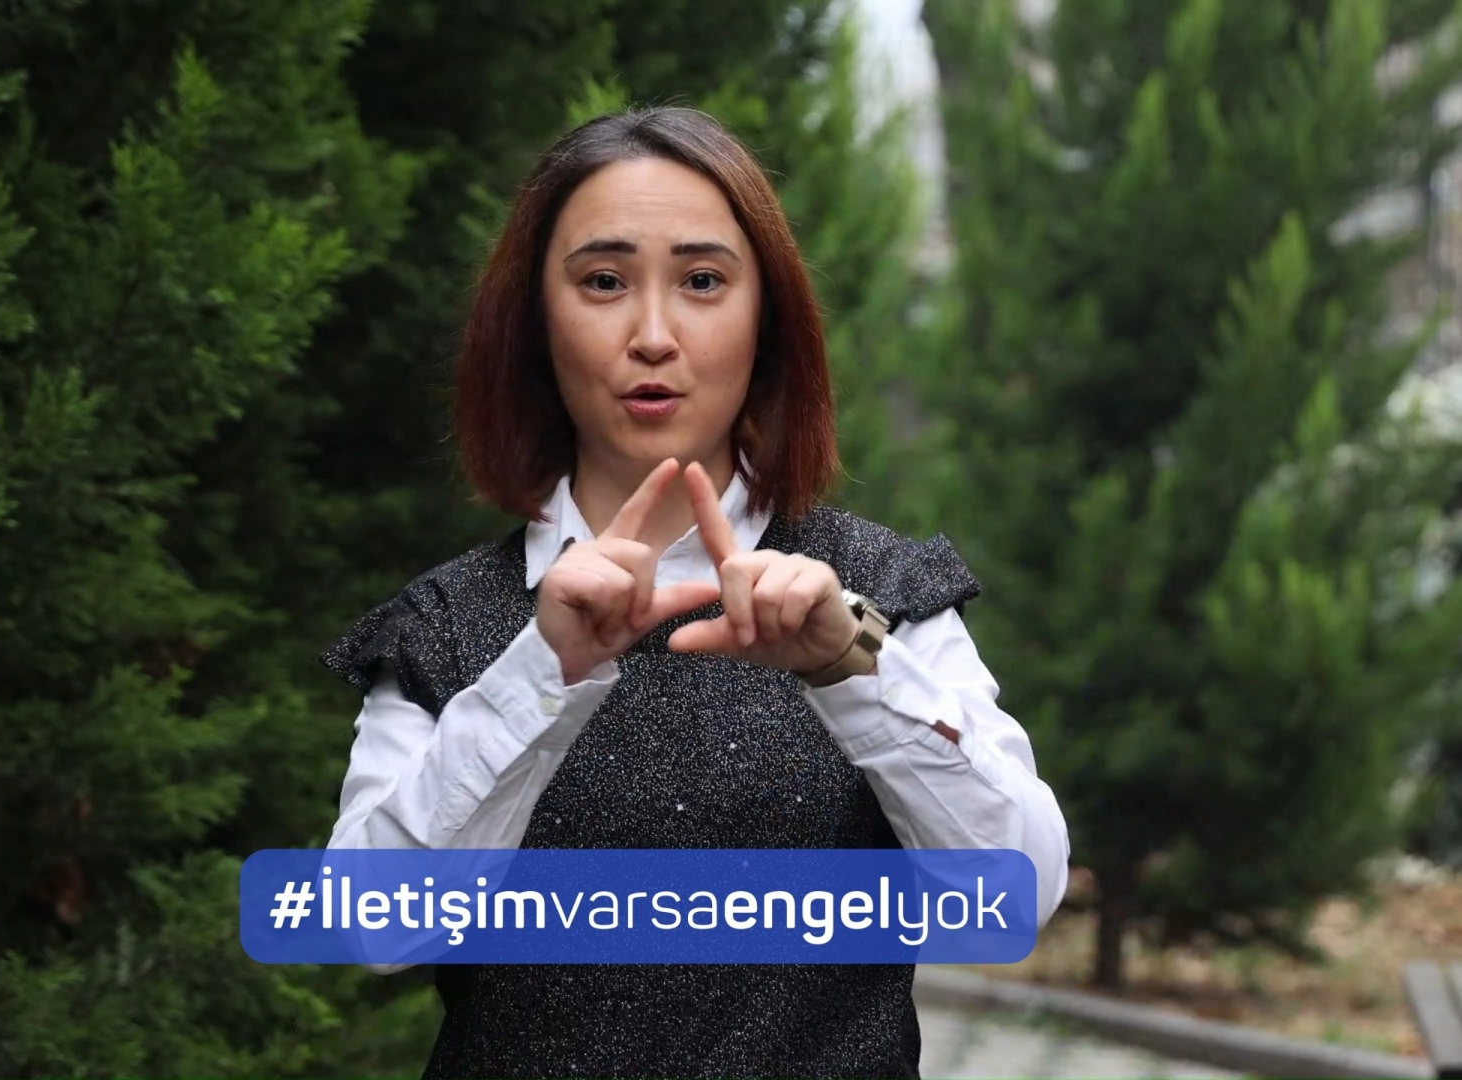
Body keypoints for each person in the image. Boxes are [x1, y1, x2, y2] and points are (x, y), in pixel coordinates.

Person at [320, 105, 1070, 1080]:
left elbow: (1016, 896)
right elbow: (371, 927)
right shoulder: (448, 623)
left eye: (703, 281)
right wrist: (538, 674)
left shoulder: (879, 594)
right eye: (603, 281)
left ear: (768, 320)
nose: (653, 335)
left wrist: (849, 668)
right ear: (535, 321)